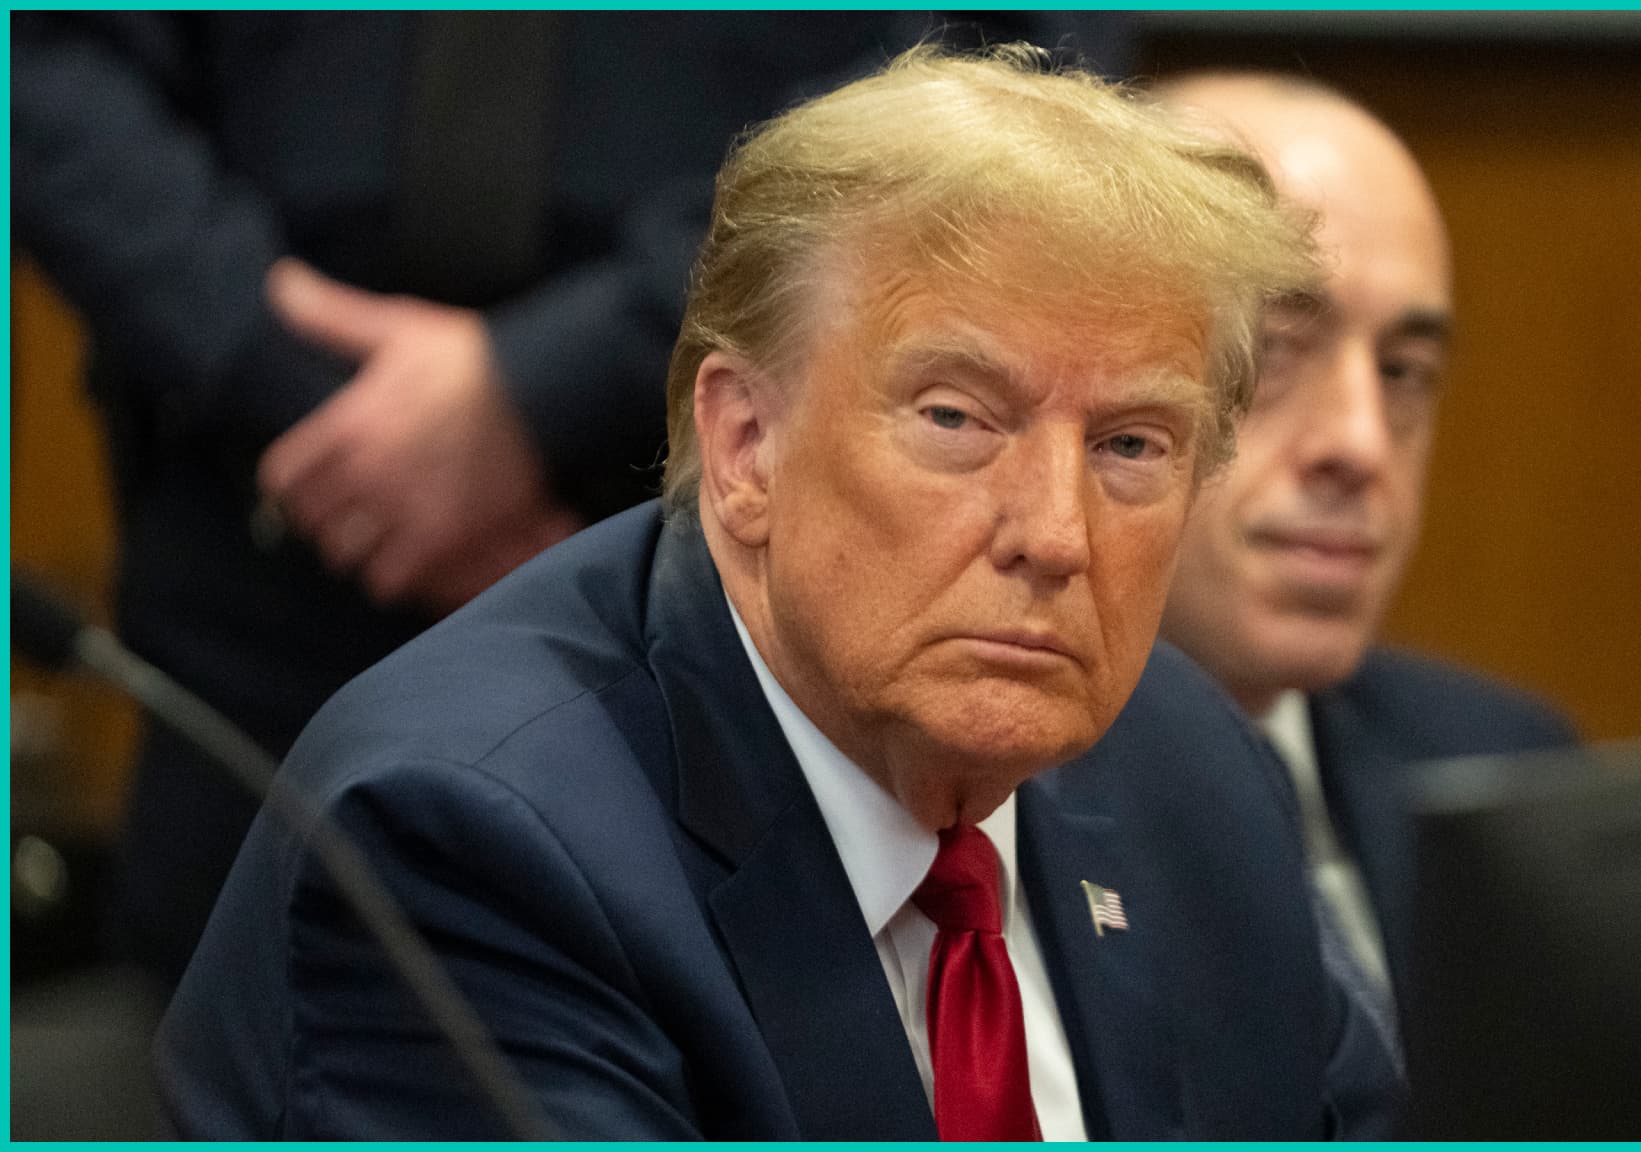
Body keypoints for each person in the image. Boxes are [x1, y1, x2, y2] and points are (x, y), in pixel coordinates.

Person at [155, 46, 1402, 1139]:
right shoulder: (470, 845)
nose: (1055, 535)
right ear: (748, 445)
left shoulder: (1193, 778)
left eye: (1133, 445)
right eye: (959, 419)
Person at [10, 11, 1102, 988]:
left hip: (723, 524)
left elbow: (996, 53)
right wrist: (284, 375)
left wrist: (552, 382)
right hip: (263, 534)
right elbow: (46, 55)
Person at [1153, 73, 1578, 1003]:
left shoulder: (1506, 778)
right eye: (1271, 351)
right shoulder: (982, 822)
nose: (1360, 443)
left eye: (1403, 371)